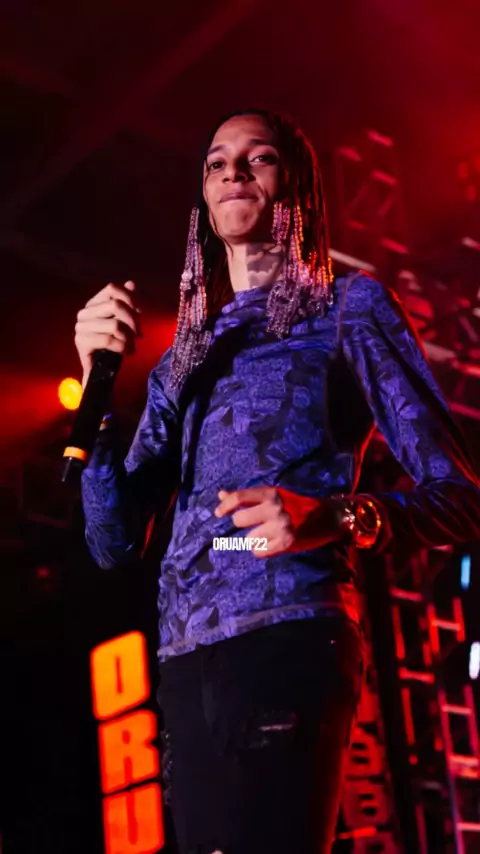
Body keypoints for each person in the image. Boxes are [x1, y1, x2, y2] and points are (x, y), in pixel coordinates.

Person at [75, 109, 480, 854]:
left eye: (256, 157)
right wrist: (95, 397)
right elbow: (112, 540)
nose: (232, 170)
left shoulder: (347, 308)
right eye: (216, 162)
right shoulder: (180, 362)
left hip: (289, 630)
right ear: (203, 199)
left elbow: (459, 496)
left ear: (294, 183)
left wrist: (334, 517)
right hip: (184, 661)